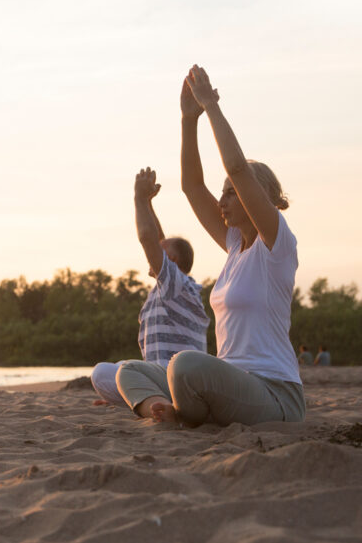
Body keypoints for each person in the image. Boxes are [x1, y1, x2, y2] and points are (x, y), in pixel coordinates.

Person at [117, 65, 305, 427]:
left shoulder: (277, 244)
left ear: (260, 198)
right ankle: (164, 410)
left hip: (274, 393)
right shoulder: (235, 246)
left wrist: (211, 106)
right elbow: (191, 186)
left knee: (185, 364)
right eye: (223, 193)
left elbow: (236, 166)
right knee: (130, 371)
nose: (222, 200)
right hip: (230, 382)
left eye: (231, 193)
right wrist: (189, 120)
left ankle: (185, 414)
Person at [90, 168, 209, 406]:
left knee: (101, 372)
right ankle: (135, 394)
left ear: (172, 262)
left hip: (177, 379)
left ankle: (141, 395)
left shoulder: (177, 286)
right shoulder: (169, 289)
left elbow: (148, 237)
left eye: (161, 252)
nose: (152, 253)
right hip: (160, 376)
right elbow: (157, 239)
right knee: (114, 369)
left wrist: (137, 198)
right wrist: (148, 203)